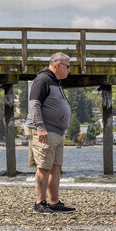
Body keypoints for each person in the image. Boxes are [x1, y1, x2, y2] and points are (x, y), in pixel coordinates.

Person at [28, 52, 76, 214]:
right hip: (46, 130)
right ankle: (39, 203)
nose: (69, 70)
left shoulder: (55, 82)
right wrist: (40, 127)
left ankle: (54, 202)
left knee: (56, 167)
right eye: (67, 66)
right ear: (57, 64)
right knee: (44, 167)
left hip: (57, 131)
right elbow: (34, 105)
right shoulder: (43, 80)